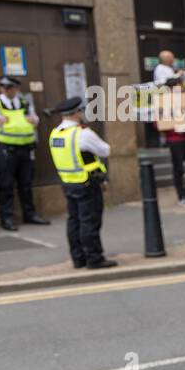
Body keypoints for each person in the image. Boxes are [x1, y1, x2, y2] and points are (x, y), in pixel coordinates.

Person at [47, 95, 116, 269]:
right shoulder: (82, 133)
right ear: (76, 112)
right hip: (86, 184)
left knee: (74, 221)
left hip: (68, 183)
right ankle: (94, 258)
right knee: (89, 222)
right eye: (82, 110)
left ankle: (78, 258)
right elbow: (105, 150)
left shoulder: (55, 134)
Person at [0, 76, 48, 230]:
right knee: (6, 185)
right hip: (5, 151)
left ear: (16, 88)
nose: (6, 90)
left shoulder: (24, 103)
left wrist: (33, 121)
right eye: (3, 87)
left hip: (25, 149)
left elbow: (35, 119)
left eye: (9, 87)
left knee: (26, 184)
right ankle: (7, 218)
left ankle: (30, 214)